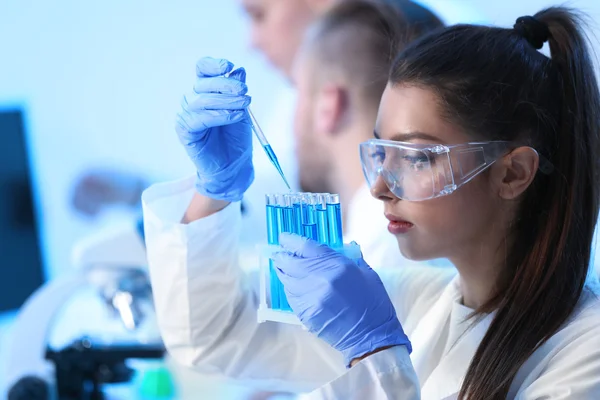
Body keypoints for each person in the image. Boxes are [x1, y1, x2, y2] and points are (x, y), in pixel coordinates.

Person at [144, 4, 600, 399]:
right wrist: (215, 191)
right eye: (381, 153)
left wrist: (376, 352)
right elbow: (218, 335)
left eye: (417, 158)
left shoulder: (585, 347)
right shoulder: (411, 301)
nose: (381, 187)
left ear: (512, 172)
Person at [70, 0, 445, 271]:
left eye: (258, 14)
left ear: (328, 105)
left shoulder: (387, 247)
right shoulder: (387, 234)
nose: (251, 40)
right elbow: (265, 204)